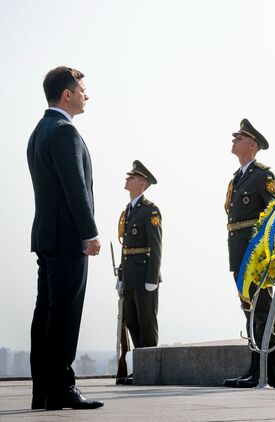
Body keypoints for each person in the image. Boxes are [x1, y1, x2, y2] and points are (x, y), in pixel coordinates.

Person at [26, 66, 104, 410]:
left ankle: (43, 391)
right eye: (82, 89)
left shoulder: (40, 130)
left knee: (45, 313)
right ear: (67, 94)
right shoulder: (63, 132)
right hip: (68, 237)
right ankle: (62, 387)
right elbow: (75, 188)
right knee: (64, 315)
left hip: (47, 235)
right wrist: (90, 232)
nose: (87, 95)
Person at [223, 119, 275, 388]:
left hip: (255, 254)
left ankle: (265, 370)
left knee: (262, 309)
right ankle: (253, 368)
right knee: (248, 310)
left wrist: (271, 251)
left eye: (240, 137)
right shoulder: (237, 178)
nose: (234, 140)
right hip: (238, 252)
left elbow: (273, 213)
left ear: (253, 145)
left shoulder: (262, 175)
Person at [117, 160, 162, 380]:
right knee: (132, 322)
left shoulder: (150, 210)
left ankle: (150, 370)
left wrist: (152, 277)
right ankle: (140, 369)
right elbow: (125, 247)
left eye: (132, 177)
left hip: (145, 276)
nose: (127, 179)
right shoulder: (128, 210)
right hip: (130, 276)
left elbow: (156, 246)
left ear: (142, 183)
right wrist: (121, 275)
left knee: (147, 323)